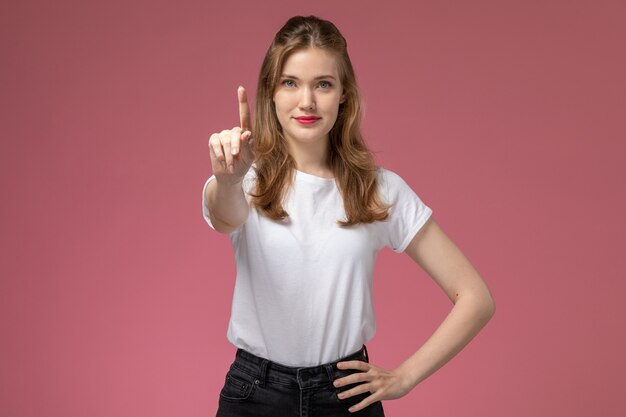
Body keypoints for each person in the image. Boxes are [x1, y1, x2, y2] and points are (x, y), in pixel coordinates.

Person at [203, 15, 495, 417]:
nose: (306, 101)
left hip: (344, 397)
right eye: (290, 83)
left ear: (343, 94)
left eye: (323, 84)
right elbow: (224, 216)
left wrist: (405, 377)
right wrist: (229, 179)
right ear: (270, 92)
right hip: (256, 395)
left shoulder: (379, 189)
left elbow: (476, 298)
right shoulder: (244, 180)